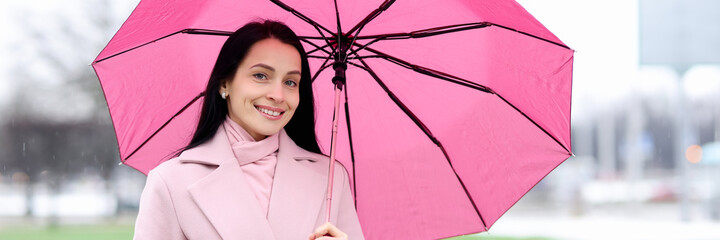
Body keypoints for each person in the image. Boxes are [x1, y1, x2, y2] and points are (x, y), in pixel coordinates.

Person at [133, 20, 364, 240]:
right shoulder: (171, 182)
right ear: (225, 83)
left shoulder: (331, 178)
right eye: (260, 75)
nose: (278, 95)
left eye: (291, 82)